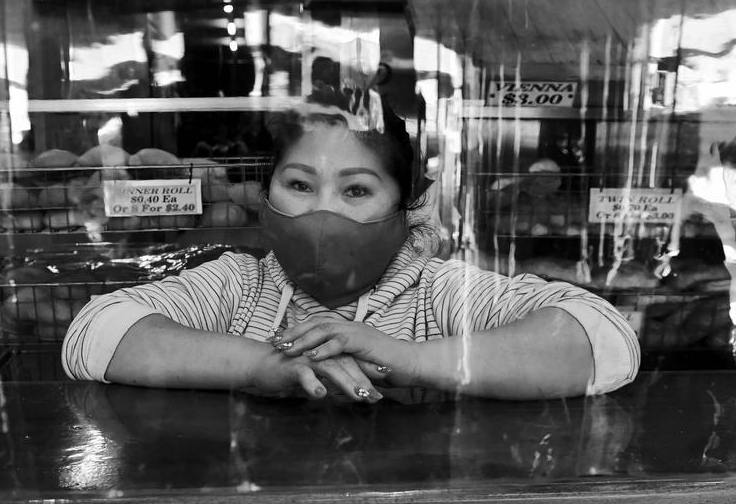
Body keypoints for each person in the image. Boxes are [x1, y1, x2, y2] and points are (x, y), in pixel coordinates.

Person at [62, 93, 639, 401]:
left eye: (356, 190)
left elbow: (606, 341)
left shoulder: (436, 291)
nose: (322, 211)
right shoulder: (239, 285)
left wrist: (404, 357)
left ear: (405, 206)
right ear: (267, 197)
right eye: (299, 186)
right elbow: (94, 335)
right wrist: (267, 367)